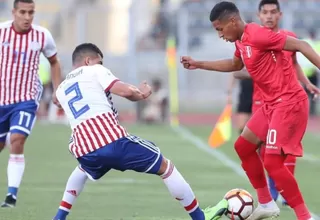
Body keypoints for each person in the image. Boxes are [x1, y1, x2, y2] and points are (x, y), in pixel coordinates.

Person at [52, 43, 228, 220]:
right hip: (113, 142)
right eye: (100, 61)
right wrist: (142, 93)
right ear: (88, 60)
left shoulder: (61, 88)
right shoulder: (95, 70)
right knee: (166, 167)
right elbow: (125, 91)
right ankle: (200, 217)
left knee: (82, 170)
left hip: (84, 150)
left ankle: (59, 216)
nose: (102, 65)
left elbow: (56, 101)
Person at [181, 1, 320, 219]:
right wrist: (199, 63)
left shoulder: (258, 35)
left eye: (220, 29)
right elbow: (236, 66)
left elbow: (301, 45)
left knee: (273, 162)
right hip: (270, 105)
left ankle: (305, 216)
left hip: (288, 103)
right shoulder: (241, 41)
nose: (219, 34)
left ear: (233, 21)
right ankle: (266, 203)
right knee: (243, 146)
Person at [233, 0, 318, 207]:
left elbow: (294, 62)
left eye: (273, 12)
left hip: (285, 101)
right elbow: (237, 67)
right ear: (259, 15)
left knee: (281, 148)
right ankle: (272, 193)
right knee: (259, 146)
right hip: (262, 100)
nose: (269, 16)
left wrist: (306, 83)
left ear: (279, 15)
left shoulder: (288, 37)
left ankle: (283, 195)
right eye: (265, 12)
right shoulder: (252, 37)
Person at [0, 0, 62, 207]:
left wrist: (57, 89)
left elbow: (54, 61)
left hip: (26, 99)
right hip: (1, 100)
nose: (27, 17)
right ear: (14, 12)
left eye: (31, 13)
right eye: (23, 12)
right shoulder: (1, 32)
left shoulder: (42, 35)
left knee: (17, 139)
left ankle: (11, 195)